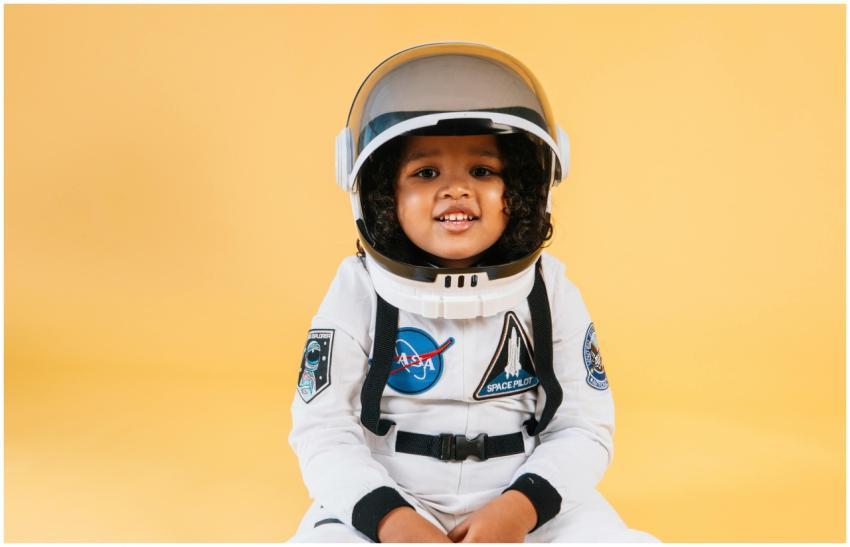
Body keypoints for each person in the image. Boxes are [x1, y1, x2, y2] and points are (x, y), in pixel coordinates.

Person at [287, 42, 659, 543]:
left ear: (524, 192)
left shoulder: (550, 290)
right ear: (382, 196)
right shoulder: (358, 290)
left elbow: (584, 427)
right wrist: (389, 519)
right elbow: (323, 430)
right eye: (425, 173)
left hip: (521, 493)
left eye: (482, 171)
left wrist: (520, 509)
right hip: (393, 494)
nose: (456, 189)